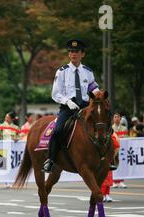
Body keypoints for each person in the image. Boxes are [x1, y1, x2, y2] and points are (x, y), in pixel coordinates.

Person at [43, 39, 103, 173]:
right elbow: (55, 93)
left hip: (86, 107)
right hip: (68, 108)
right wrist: (67, 102)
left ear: (83, 54)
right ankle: (50, 160)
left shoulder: (88, 71)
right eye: (70, 51)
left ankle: (106, 158)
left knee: (102, 125)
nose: (73, 54)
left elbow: (93, 87)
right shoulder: (62, 71)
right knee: (58, 130)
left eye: (76, 52)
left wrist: (98, 94)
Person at [112, 112, 128, 188]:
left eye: (118, 117)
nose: (117, 118)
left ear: (120, 118)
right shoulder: (111, 128)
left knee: (122, 165)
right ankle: (114, 181)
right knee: (114, 164)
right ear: (113, 119)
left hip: (123, 148)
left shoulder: (124, 128)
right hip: (115, 149)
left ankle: (121, 181)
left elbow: (126, 137)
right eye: (115, 117)